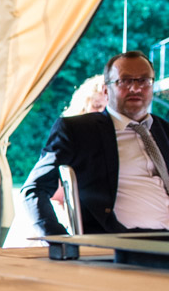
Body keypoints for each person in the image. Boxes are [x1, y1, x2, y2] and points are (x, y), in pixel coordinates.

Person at [20, 51, 169, 236]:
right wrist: (58, 240)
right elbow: (34, 189)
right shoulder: (79, 130)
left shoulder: (164, 131)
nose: (135, 88)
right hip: (118, 244)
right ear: (106, 90)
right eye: (125, 81)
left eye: (143, 80)